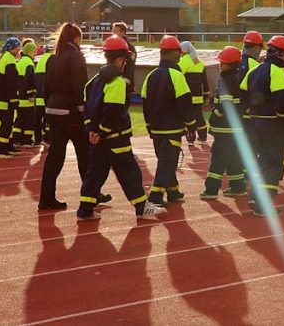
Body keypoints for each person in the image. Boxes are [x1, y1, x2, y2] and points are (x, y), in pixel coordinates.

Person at [77, 35, 165, 221]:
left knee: (95, 173)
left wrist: (92, 131)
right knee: (130, 171)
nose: (126, 64)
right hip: (116, 137)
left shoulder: (92, 82)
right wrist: (102, 132)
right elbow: (113, 113)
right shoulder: (117, 83)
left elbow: (86, 109)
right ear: (119, 60)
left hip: (98, 137)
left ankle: (85, 209)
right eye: (125, 59)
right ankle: (142, 208)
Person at [39, 23, 91, 210]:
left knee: (54, 157)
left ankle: (46, 198)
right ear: (76, 39)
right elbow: (80, 87)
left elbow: (46, 88)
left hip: (53, 110)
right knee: (84, 156)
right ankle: (90, 197)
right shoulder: (76, 56)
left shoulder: (53, 58)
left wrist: (49, 107)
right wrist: (84, 111)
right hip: (71, 113)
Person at [241, 36, 284, 216]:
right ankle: (262, 203)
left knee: (262, 159)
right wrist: (283, 116)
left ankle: (256, 196)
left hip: (255, 122)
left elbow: (242, 94)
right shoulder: (278, 73)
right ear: (282, 55)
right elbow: (282, 102)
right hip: (273, 124)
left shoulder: (254, 70)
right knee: (272, 162)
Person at [141, 35, 194, 207]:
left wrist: (149, 127)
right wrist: (191, 125)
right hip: (172, 129)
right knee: (168, 162)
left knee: (165, 160)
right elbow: (185, 103)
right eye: (178, 53)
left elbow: (145, 104)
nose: (180, 56)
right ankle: (155, 196)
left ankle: (173, 191)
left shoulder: (150, 76)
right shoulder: (177, 75)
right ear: (173, 53)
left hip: (156, 129)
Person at [200, 46, 247, 199]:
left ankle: (211, 190)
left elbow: (225, 106)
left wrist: (215, 114)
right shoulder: (237, 78)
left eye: (223, 62)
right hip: (236, 129)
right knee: (234, 158)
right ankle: (238, 187)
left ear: (231, 64)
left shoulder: (225, 80)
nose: (220, 65)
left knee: (218, 159)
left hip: (224, 129)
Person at [0, 37, 23, 159]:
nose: (19, 49)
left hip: (1, 99)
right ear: (13, 48)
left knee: (7, 123)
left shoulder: (4, 58)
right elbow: (11, 83)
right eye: (18, 47)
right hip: (5, 100)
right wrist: (14, 99)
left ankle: (7, 145)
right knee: (6, 124)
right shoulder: (9, 60)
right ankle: (1, 149)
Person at [179, 40, 210, 143]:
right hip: (198, 95)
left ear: (182, 51)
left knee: (189, 117)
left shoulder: (182, 61)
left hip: (187, 95)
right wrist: (206, 94)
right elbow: (205, 81)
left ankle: (191, 138)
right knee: (199, 115)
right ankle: (203, 137)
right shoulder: (199, 62)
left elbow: (178, 78)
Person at [13, 39, 39, 148]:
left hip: (18, 97)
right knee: (29, 119)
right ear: (29, 52)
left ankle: (17, 139)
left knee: (19, 119)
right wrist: (30, 94)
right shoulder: (29, 63)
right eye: (34, 52)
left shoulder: (19, 62)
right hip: (26, 98)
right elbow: (29, 80)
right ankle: (27, 140)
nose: (35, 54)